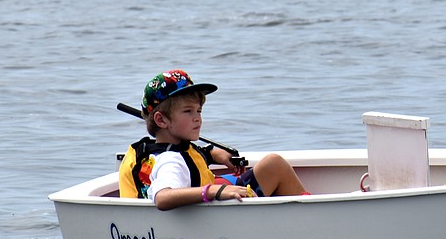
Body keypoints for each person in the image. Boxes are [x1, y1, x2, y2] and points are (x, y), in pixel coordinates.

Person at [118, 69, 306, 210]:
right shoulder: (170, 161)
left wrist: (214, 154)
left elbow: (191, 156)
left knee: (273, 164)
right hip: (214, 207)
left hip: (212, 192)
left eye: (198, 110)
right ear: (161, 120)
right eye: (188, 111)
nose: (197, 118)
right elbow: (163, 197)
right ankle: (309, 217)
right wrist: (214, 191)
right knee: (276, 165)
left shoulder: (170, 148)